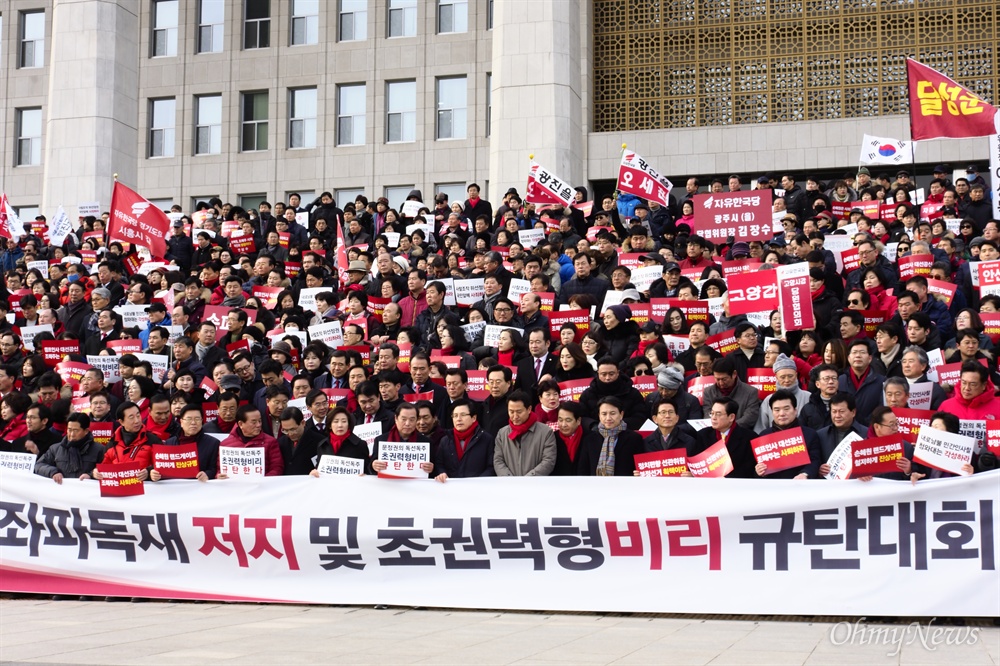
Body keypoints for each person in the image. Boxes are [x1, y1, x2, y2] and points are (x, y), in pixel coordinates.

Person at [753, 390, 822, 479]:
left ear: (795, 410)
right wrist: (759, 471)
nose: (781, 414)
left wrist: (805, 474)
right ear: (772, 412)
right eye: (777, 410)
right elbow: (756, 469)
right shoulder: (763, 436)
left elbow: (815, 461)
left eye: (786, 409)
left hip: (800, 487)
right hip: (772, 488)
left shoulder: (809, 434)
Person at [688, 397, 757, 478]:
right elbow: (696, 463)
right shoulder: (703, 435)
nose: (713, 417)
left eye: (718, 414)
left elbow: (749, 468)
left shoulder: (749, 437)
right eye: (712, 413)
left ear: (731, 417)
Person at [493, 390, 556, 476]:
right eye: (511, 412)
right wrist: (509, 480)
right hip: (509, 486)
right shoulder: (502, 433)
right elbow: (498, 461)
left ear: (529, 409)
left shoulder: (546, 432)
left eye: (519, 412)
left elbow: (548, 461)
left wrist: (527, 480)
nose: (515, 416)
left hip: (536, 485)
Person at [93, 402, 162, 480]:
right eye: (131, 417)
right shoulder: (112, 444)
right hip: (119, 489)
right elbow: (103, 469)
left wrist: (149, 473)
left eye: (138, 415)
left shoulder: (153, 440)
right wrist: (94, 473)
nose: (137, 421)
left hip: (146, 489)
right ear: (121, 422)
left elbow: (163, 465)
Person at [578, 357, 649, 431]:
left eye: (611, 374)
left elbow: (640, 416)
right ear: (598, 373)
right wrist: (593, 425)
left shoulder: (632, 393)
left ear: (618, 372)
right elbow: (582, 417)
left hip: (626, 434)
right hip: (595, 434)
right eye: (603, 374)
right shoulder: (587, 394)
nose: (607, 378)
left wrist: (618, 425)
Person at [433, 399, 495, 480]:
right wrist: (442, 473)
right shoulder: (445, 440)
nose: (458, 419)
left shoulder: (486, 439)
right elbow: (439, 464)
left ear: (474, 418)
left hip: (478, 488)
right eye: (455, 415)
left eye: (463, 415)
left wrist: (479, 482)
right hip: (450, 488)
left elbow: (491, 467)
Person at [577, 396, 641, 476]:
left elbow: (640, 467)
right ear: (599, 416)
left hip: (625, 486)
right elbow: (583, 470)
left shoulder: (634, 439)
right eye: (604, 414)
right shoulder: (589, 439)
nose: (608, 418)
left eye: (612, 413)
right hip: (595, 486)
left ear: (621, 414)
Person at [34, 413, 105, 483]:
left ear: (86, 431)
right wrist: (53, 472)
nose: (72, 434)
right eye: (69, 430)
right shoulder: (55, 449)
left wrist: (91, 475)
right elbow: (39, 465)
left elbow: (108, 471)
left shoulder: (99, 449)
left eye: (75, 430)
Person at [155, 405, 218, 481]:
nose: (193, 422)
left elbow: (214, 469)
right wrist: (155, 474)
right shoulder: (169, 443)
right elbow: (163, 469)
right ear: (181, 422)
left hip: (201, 488)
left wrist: (207, 474)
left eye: (197, 419)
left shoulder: (213, 443)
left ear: (202, 421)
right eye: (189, 419)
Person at [218, 405, 285, 477]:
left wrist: (264, 480)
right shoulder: (225, 444)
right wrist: (219, 476)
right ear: (240, 424)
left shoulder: (271, 442)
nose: (258, 425)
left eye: (260, 421)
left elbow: (277, 467)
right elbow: (220, 469)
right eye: (254, 422)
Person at [369, 403, 433, 476]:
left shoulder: (426, 442)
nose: (407, 423)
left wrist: (431, 468)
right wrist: (374, 465)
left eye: (412, 420)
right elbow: (371, 466)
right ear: (396, 419)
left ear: (416, 420)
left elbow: (433, 472)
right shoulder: (381, 440)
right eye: (403, 419)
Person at [701, 356, 761, 431]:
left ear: (734, 374)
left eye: (724, 379)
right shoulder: (708, 392)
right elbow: (708, 415)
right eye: (717, 379)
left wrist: (727, 428)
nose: (721, 383)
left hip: (740, 433)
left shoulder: (750, 392)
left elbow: (749, 418)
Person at [816, 393, 867, 476]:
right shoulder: (821, 435)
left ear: (853, 412)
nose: (837, 416)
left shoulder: (866, 434)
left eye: (841, 411)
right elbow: (815, 461)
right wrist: (819, 468)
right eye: (834, 411)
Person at [310, 407, 369, 474]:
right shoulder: (323, 445)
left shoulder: (360, 444)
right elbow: (319, 469)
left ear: (348, 424)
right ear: (330, 425)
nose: (340, 425)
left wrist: (364, 475)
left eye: (344, 421)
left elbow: (367, 469)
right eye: (336, 421)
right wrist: (314, 473)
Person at [277, 406, 325, 476]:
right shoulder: (280, 442)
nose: (290, 434)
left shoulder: (319, 441)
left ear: (303, 423)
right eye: (285, 430)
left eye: (293, 429)